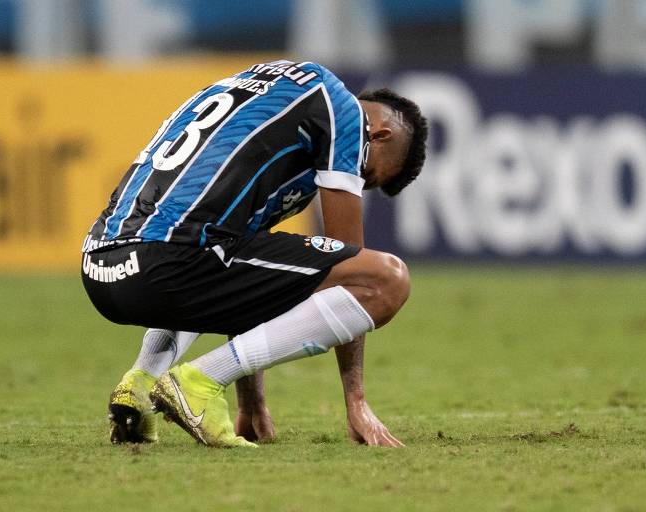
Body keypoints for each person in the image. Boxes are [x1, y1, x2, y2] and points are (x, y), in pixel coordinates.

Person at [81, 59, 428, 448]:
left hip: (101, 267)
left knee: (229, 253)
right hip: (164, 263)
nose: (358, 184)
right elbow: (348, 258)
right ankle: (200, 381)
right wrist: (356, 400)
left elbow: (246, 274)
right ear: (378, 135)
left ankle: (141, 384)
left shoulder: (262, 86)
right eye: (368, 177)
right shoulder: (341, 110)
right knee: (385, 280)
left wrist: (252, 401)